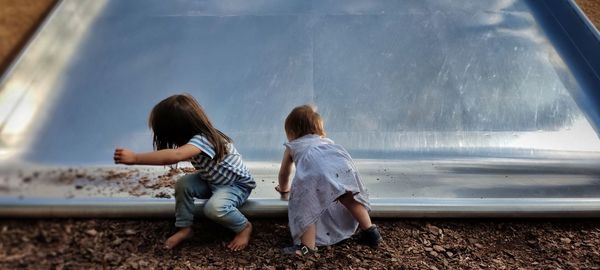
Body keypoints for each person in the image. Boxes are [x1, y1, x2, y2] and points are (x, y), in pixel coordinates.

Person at [114, 94, 255, 251]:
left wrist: (135, 158)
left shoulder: (204, 139)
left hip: (235, 185)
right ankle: (185, 228)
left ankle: (243, 227)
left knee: (214, 208)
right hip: (213, 181)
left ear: (175, 128)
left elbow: (175, 156)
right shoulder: (194, 140)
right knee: (184, 184)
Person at [276, 105, 382, 256]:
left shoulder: (293, 146)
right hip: (341, 169)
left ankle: (307, 247)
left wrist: (284, 188)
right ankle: (371, 232)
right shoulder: (326, 142)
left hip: (315, 175)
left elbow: (284, 173)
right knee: (350, 200)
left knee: (307, 208)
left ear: (291, 131)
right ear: (318, 128)